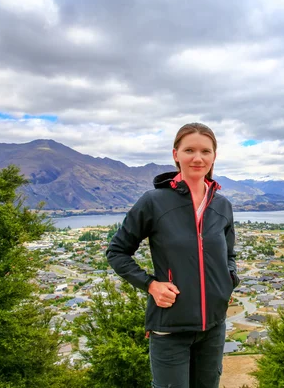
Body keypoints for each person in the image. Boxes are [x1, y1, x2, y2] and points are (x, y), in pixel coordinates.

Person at [106, 122, 239, 388]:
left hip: (213, 327)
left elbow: (229, 255)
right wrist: (150, 284)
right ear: (175, 154)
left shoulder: (222, 205)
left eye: (205, 151)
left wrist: (228, 282)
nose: (198, 158)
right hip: (170, 328)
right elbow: (117, 251)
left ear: (214, 156)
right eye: (189, 150)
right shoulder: (154, 201)